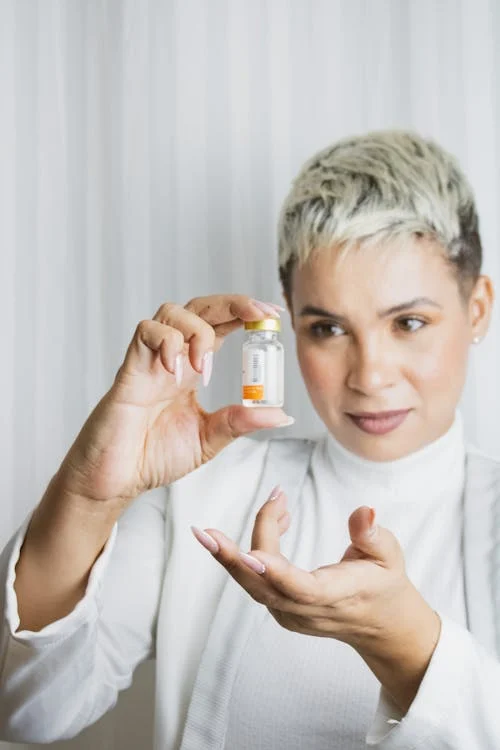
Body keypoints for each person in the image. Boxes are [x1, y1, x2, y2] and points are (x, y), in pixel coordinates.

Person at [0, 130, 499, 750]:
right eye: (328, 328)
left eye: (409, 322)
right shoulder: (203, 490)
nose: (370, 376)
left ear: (477, 307)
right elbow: (27, 710)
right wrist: (88, 492)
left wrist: (406, 644)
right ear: (289, 317)